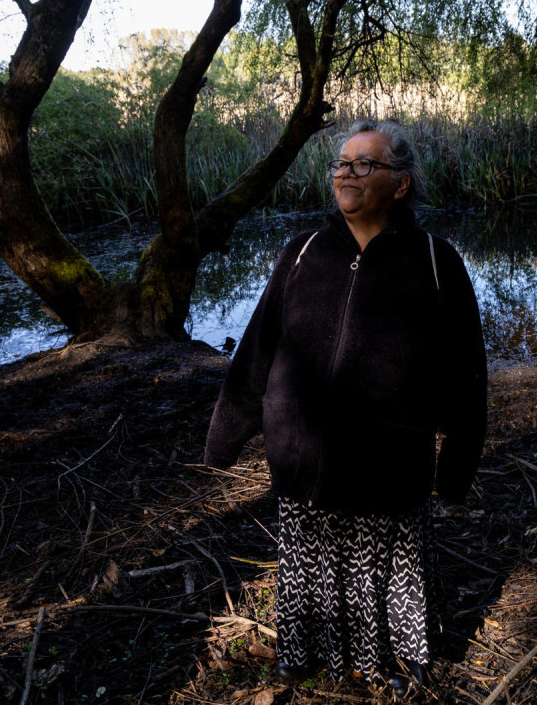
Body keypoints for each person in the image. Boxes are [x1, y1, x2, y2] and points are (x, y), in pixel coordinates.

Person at [204, 120, 487, 695]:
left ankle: (398, 659)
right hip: (302, 459)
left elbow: (466, 376)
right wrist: (225, 436)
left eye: (364, 164)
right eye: (341, 163)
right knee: (309, 563)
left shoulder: (437, 263)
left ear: (400, 183)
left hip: (389, 463)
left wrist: (455, 467)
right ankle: (304, 649)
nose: (346, 173)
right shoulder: (303, 251)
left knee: (386, 568)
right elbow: (257, 347)